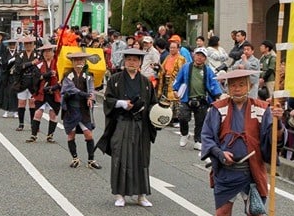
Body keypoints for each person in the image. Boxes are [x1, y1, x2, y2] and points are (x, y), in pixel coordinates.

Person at [200, 68, 285, 216]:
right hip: (227, 171)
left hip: (252, 170)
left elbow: (273, 139)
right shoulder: (217, 109)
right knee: (222, 213)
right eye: (233, 85)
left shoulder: (262, 108)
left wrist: (278, 122)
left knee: (255, 215)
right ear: (227, 87)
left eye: (241, 84)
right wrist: (220, 154)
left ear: (250, 85)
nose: (237, 89)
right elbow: (208, 137)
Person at [97, 48, 158, 207]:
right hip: (121, 123)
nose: (132, 62)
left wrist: (158, 113)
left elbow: (153, 103)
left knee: (140, 158)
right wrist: (122, 103)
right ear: (124, 61)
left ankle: (141, 195)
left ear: (140, 63)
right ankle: (119, 194)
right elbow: (108, 99)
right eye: (129, 59)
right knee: (120, 157)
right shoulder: (115, 79)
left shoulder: (145, 82)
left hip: (140, 125)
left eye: (135, 60)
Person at [172, 47, 223, 151]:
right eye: (198, 55)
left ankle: (198, 140)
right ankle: (184, 134)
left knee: (200, 121)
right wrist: (175, 90)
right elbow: (178, 79)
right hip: (187, 97)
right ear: (194, 55)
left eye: (202, 56)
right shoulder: (186, 67)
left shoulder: (208, 70)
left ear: (205, 58)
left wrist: (218, 95)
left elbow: (214, 83)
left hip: (202, 99)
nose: (199, 58)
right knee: (182, 117)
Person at [60, 51, 101, 169]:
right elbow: (71, 89)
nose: (79, 62)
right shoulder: (68, 75)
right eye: (76, 60)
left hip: (83, 109)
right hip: (71, 108)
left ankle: (91, 159)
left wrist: (91, 97)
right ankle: (75, 158)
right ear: (72, 62)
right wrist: (85, 94)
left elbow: (92, 89)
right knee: (71, 134)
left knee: (88, 134)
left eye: (81, 60)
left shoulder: (88, 75)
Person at [27, 43, 61, 143]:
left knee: (53, 114)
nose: (47, 53)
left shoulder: (58, 63)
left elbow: (62, 78)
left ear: (53, 52)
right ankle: (33, 135)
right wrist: (47, 74)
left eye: (49, 51)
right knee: (38, 113)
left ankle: (50, 135)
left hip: (54, 91)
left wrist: (56, 85)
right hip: (41, 91)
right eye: (45, 52)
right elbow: (36, 78)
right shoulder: (39, 64)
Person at [12, 36, 40, 132]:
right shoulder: (20, 55)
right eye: (26, 44)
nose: (28, 45)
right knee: (21, 103)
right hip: (22, 81)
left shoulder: (37, 54)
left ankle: (33, 124)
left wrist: (28, 65)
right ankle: (21, 124)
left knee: (32, 103)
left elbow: (39, 66)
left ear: (33, 45)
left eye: (30, 44)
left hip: (33, 81)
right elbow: (18, 67)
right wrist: (31, 63)